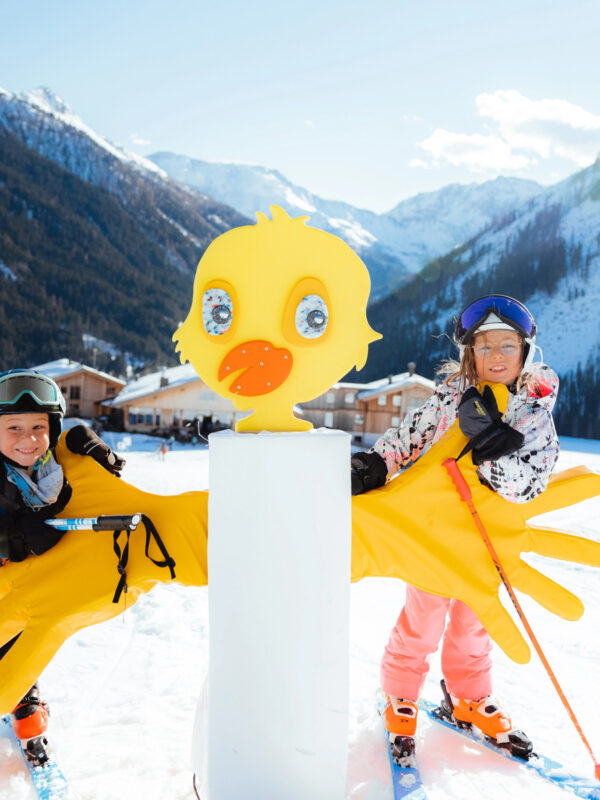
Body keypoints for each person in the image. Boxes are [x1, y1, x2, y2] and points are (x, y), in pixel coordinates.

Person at [351, 295, 559, 764]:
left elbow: (530, 485)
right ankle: (400, 695)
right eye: (486, 347)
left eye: (508, 345)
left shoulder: (534, 414)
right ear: (470, 354)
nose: (498, 356)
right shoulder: (448, 400)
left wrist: (493, 453)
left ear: (525, 353)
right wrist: (374, 466)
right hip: (433, 536)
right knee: (421, 621)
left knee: (474, 626)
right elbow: (407, 440)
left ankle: (469, 698)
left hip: (487, 546)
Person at [0, 369, 125, 764]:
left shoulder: (53, 471)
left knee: (23, 639)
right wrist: (11, 539)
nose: (28, 438)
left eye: (39, 426)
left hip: (31, 590)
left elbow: (91, 496)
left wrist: (94, 459)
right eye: (14, 427)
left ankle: (24, 702)